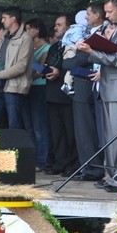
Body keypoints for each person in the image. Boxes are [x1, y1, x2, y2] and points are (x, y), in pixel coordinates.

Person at [78, 0, 117, 191]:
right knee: (109, 135)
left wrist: (92, 52)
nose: (107, 16)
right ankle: (113, 176)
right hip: (108, 85)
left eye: (110, 12)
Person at [63, 3, 107, 182]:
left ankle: (94, 169)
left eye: (88, 14)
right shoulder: (88, 34)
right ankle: (87, 167)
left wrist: (72, 60)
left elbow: (76, 61)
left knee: (87, 131)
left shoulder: (100, 34)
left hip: (88, 88)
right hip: (82, 88)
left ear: (97, 15)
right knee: (82, 131)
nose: (86, 17)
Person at [0, 7, 33, 129]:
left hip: (14, 88)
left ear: (13, 19)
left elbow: (21, 66)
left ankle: (14, 149)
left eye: (4, 18)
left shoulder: (25, 38)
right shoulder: (4, 37)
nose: (2, 21)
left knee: (14, 126)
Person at [45, 14, 78, 177]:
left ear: (68, 27)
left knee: (69, 131)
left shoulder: (72, 45)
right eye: (55, 24)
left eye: (59, 24)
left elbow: (72, 66)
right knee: (56, 132)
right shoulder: (54, 46)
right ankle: (60, 162)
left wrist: (60, 72)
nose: (55, 27)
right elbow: (50, 63)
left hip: (66, 95)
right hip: (52, 93)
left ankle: (72, 164)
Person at [23, 18, 50, 172]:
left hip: (39, 87)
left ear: (37, 30)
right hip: (27, 87)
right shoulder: (29, 47)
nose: (27, 32)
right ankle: (30, 159)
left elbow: (41, 70)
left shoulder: (46, 48)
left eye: (29, 29)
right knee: (29, 126)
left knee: (39, 126)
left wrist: (27, 74)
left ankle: (41, 160)